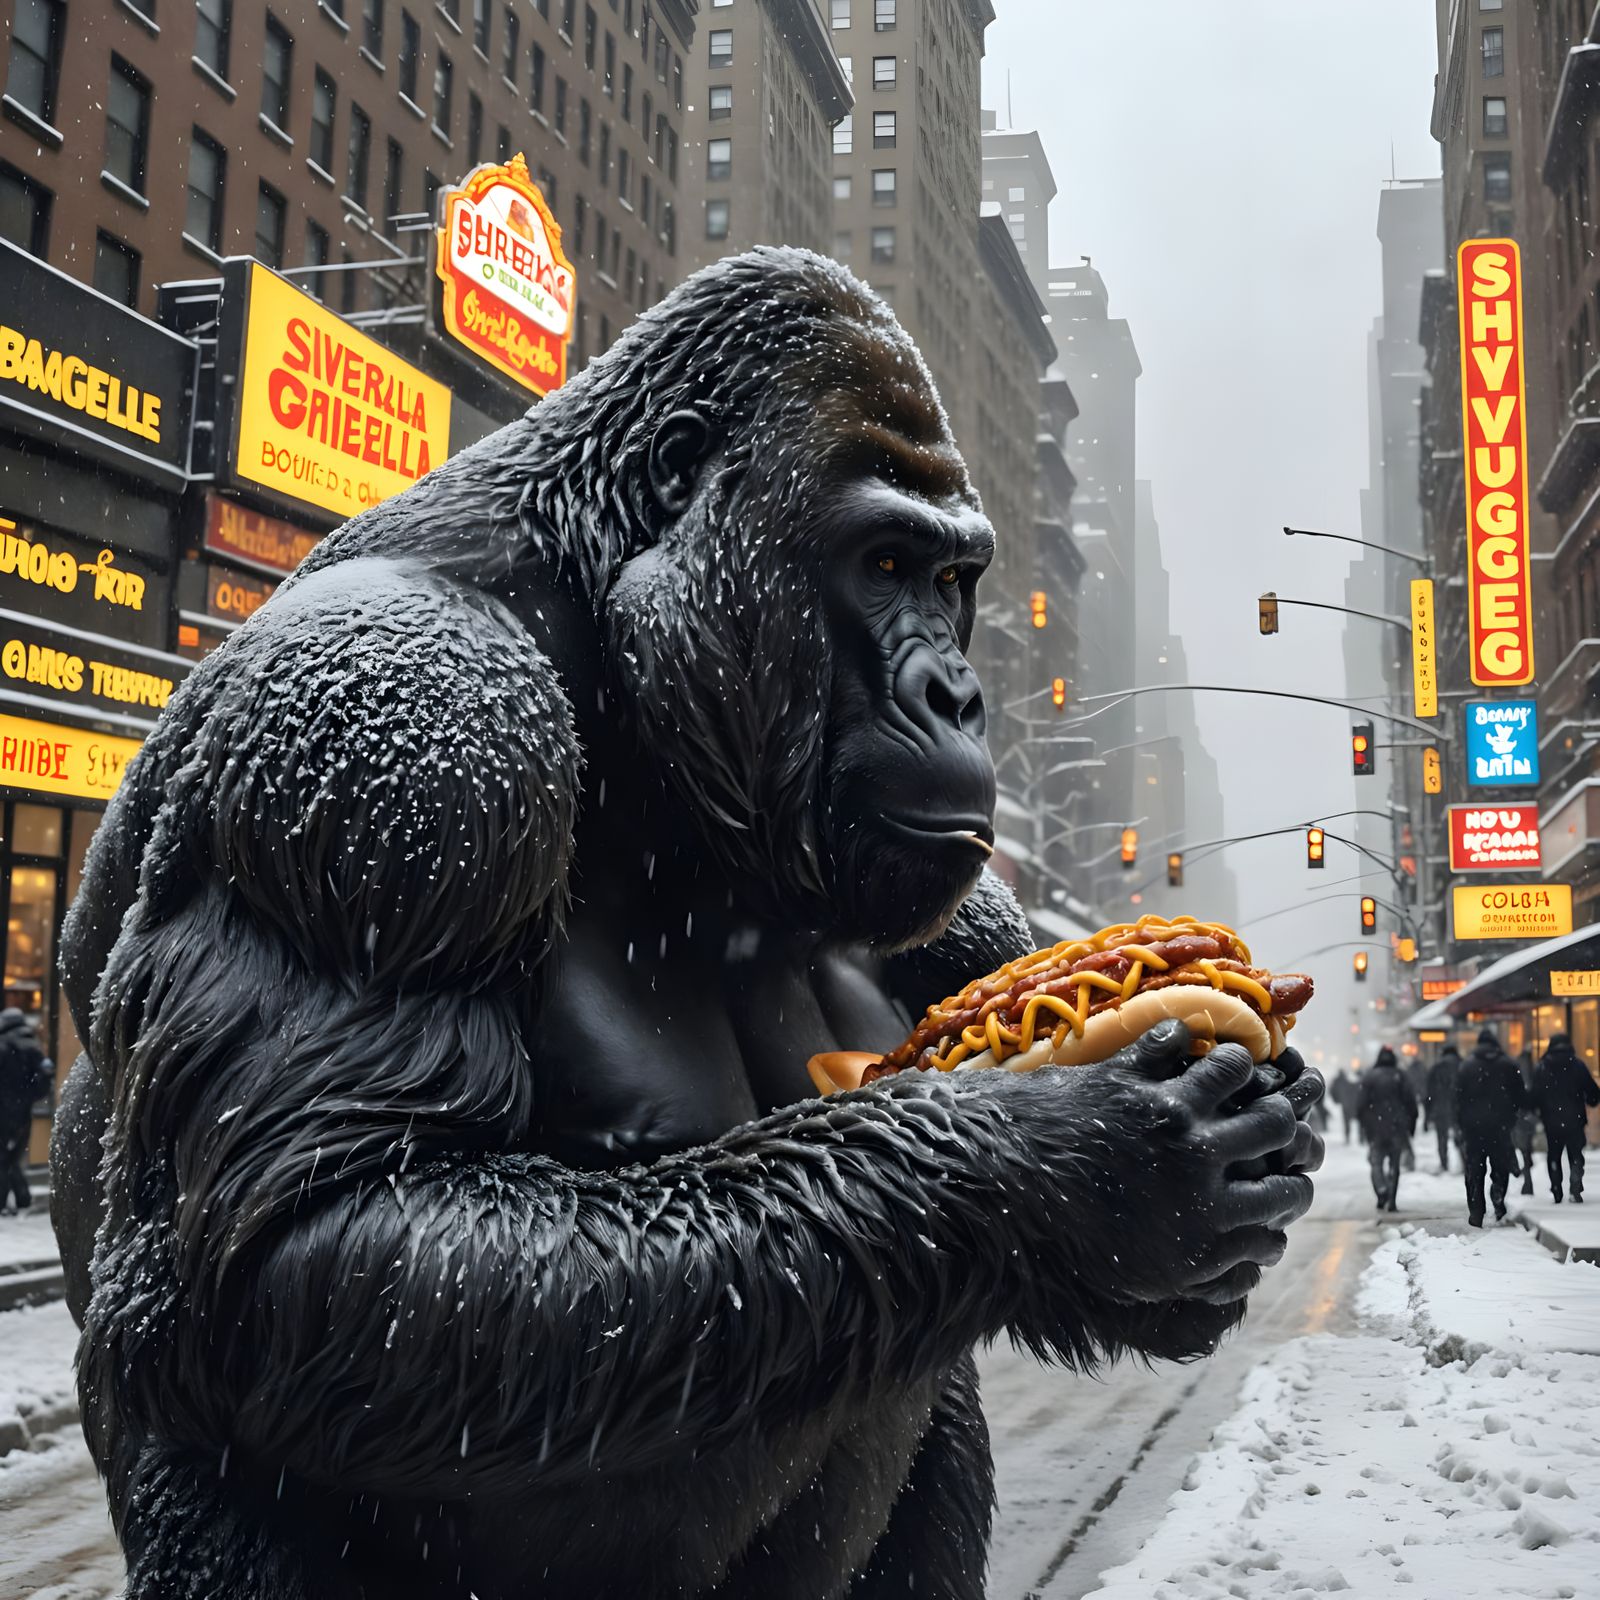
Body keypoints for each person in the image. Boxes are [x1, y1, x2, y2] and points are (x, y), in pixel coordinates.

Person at [1454, 1025, 1530, 1227]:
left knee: (1474, 1171)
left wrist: (1461, 1123)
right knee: (1500, 1167)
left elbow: (1458, 1099)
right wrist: (1512, 1116)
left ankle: (1476, 1211)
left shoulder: (1466, 1066)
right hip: (1500, 1128)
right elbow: (1520, 1095)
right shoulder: (1509, 1065)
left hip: (1473, 1129)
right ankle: (1498, 1197)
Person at [1535, 1032, 1600, 1204]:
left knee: (1554, 1154)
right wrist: (1591, 1099)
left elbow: (1535, 1093)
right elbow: (1592, 1091)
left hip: (1551, 1119)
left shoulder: (1543, 1067)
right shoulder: (1578, 1065)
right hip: (1575, 1118)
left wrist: (1536, 1110)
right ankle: (1575, 1182)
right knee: (1576, 1152)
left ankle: (1556, 1188)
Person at [0, 1008, 50, 1215]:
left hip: (3, 1111)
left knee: (3, 1159)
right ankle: (22, 1199)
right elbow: (43, 1081)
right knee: (11, 1158)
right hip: (24, 1112)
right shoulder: (33, 1046)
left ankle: (6, 1202)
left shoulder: (3, 1046)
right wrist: (27, 1097)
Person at [1357, 1046, 1417, 1212]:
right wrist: (1410, 1127)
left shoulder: (1370, 1077)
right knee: (1394, 1164)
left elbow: (1361, 1106)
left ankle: (1381, 1189)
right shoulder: (1401, 1076)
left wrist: (1364, 1127)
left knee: (1376, 1163)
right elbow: (1411, 1104)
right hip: (1397, 1127)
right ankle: (1392, 1199)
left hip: (1375, 1128)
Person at [1425, 1044, 1461, 1173]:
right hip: (1460, 1108)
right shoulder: (1463, 1065)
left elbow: (1429, 1092)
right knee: (1461, 1136)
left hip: (1440, 1108)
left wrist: (1428, 1114)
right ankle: (1464, 1161)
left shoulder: (1436, 1067)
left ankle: (1444, 1162)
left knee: (1442, 1138)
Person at [1510, 1050, 1539, 1196]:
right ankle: (1527, 1180)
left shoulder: (1515, 1072)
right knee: (1525, 1150)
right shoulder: (1535, 1072)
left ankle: (1523, 1177)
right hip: (1528, 1116)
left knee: (1519, 1148)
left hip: (1519, 1116)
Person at [1330, 1068, 1359, 1144]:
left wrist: (1337, 1100)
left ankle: (1347, 1137)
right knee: (1357, 1120)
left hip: (1345, 1104)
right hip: (1352, 1103)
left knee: (1346, 1122)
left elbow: (1332, 1090)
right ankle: (1360, 1139)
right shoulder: (1348, 1081)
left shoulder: (1338, 1081)